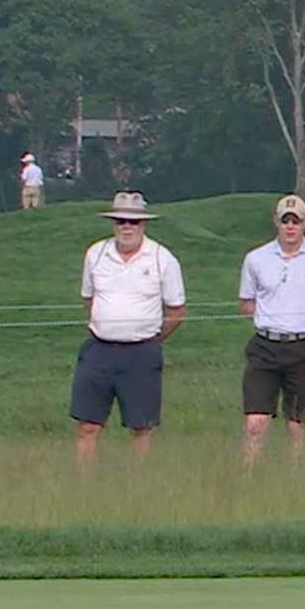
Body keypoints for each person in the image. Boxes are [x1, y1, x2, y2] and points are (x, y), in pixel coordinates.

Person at [70, 191, 186, 465]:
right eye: (120, 221)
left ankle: (137, 482)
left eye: (133, 222)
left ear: (143, 224)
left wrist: (152, 337)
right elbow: (88, 298)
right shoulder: (96, 254)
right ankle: (83, 484)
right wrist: (104, 325)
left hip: (142, 352)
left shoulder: (162, 258)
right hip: (100, 350)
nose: (126, 227)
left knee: (141, 426)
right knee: (88, 424)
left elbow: (177, 311)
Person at [237, 194, 305, 464]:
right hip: (265, 346)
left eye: (296, 221)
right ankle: (248, 475)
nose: (290, 227)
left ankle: (298, 479)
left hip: (303, 346)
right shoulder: (255, 259)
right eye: (285, 221)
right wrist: (271, 323)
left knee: (298, 423)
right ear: (276, 222)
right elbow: (247, 303)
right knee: (255, 422)